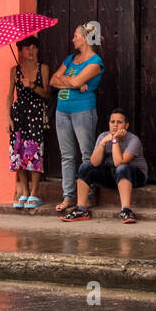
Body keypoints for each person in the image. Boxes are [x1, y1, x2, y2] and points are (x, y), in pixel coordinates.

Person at [48, 23, 104, 212]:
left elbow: (76, 80)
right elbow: (53, 80)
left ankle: (87, 197)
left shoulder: (95, 62)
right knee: (67, 156)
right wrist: (70, 83)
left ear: (86, 38)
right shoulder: (71, 58)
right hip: (62, 111)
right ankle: (68, 196)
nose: (73, 39)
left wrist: (70, 81)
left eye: (76, 36)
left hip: (83, 111)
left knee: (86, 154)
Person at [60, 109, 147, 224]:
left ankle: (126, 210)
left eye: (119, 122)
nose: (115, 125)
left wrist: (115, 140)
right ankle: (81, 209)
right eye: (112, 122)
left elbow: (119, 163)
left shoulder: (133, 140)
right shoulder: (103, 136)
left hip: (134, 176)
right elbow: (94, 162)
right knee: (85, 167)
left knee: (122, 168)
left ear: (126, 125)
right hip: (113, 175)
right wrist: (102, 144)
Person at [7, 36, 51, 209]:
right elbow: (10, 95)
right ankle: (24, 191)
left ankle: (35, 192)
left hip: (35, 112)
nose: (31, 51)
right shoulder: (14, 71)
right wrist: (7, 117)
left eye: (33, 47)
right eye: (26, 48)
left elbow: (47, 93)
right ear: (20, 51)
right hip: (19, 114)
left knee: (34, 152)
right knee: (18, 152)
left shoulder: (43, 69)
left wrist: (31, 85)